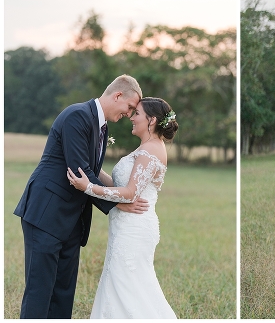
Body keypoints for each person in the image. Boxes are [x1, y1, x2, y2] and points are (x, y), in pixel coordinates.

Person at [13, 75, 149, 319]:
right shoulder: (77, 116)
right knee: (39, 292)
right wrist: (118, 203)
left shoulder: (102, 126)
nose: (129, 114)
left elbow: (93, 170)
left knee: (63, 294)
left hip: (72, 220)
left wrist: (125, 192)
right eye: (129, 107)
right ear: (118, 95)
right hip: (46, 214)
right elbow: (80, 171)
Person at [67, 97, 178, 318]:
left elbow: (130, 193)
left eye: (137, 113)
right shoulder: (147, 148)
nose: (131, 118)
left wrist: (88, 187)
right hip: (125, 226)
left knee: (127, 288)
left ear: (152, 120)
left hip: (134, 228)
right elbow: (119, 185)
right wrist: (91, 166)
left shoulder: (151, 150)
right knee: (121, 285)